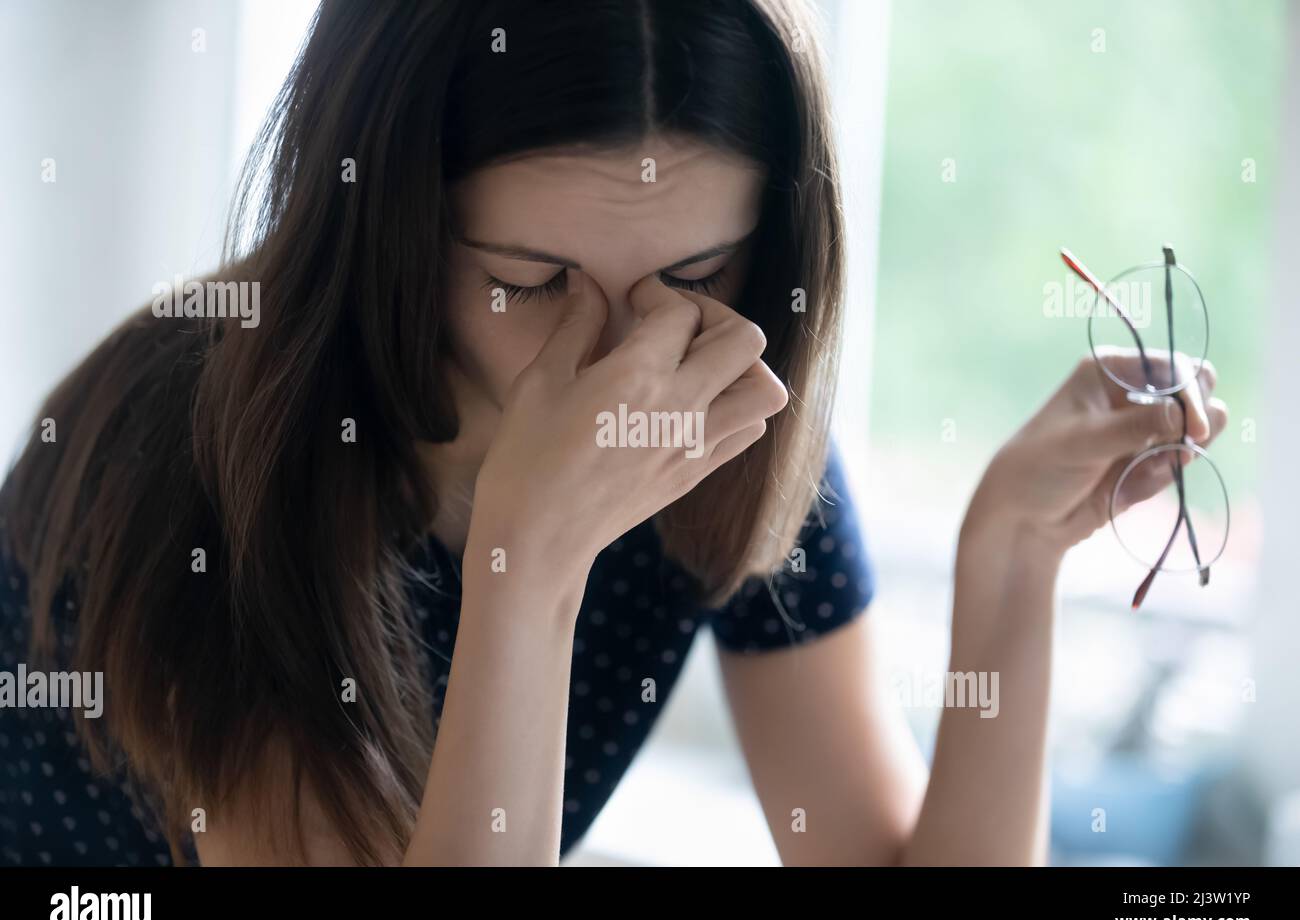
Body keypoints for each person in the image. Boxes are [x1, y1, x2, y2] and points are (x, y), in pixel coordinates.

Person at [0, 0, 1226, 866]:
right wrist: (526, 562)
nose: (622, 356)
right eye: (531, 280)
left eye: (695, 272)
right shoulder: (197, 462)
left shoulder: (722, 420)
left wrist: (1009, 557)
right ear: (390, 233)